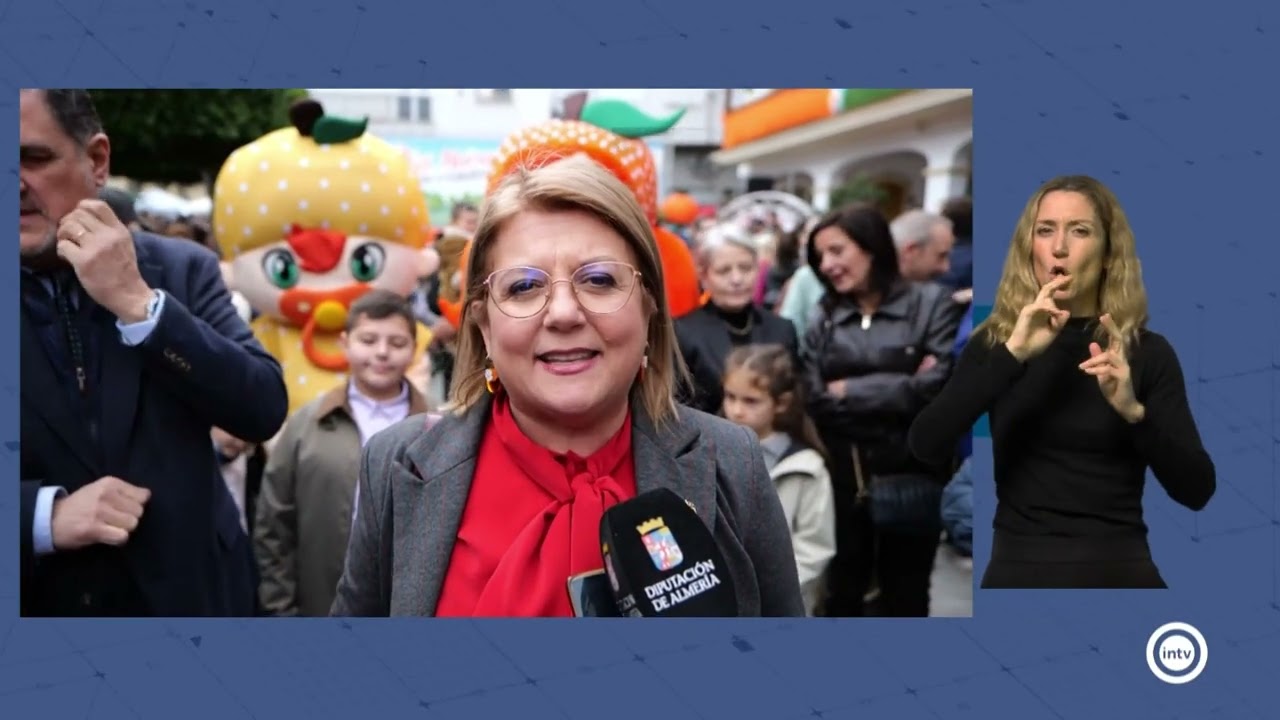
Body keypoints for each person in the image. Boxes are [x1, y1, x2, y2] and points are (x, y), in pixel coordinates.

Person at [330, 154, 805, 617]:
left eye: (598, 279)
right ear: (483, 325)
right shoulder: (397, 464)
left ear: (648, 308)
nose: (562, 313)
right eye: (523, 287)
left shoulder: (731, 463)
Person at [19, 89, 288, 616]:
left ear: (97, 160)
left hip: (194, 602)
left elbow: (261, 407)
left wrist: (138, 304)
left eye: (33, 158)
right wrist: (41, 516)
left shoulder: (180, 269)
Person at [907, 175, 1215, 589]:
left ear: (1108, 254)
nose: (1059, 248)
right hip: (1019, 570)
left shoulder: (1146, 352)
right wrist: (1012, 355)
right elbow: (926, 443)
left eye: (1080, 231)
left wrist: (1134, 413)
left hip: (1121, 571)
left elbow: (1197, 490)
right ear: (1028, 248)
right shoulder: (998, 343)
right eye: (1045, 230)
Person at [802, 203, 964, 617]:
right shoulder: (825, 314)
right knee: (842, 595)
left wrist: (848, 390)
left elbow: (938, 388)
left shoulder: (931, 303)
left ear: (872, 246)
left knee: (906, 597)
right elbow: (815, 398)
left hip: (913, 476)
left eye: (837, 250)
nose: (828, 264)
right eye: (821, 256)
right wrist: (902, 385)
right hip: (843, 480)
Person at [255, 290, 430, 616]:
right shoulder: (307, 425)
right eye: (368, 340)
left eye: (396, 343)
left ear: (414, 349)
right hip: (319, 605)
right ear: (345, 343)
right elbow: (274, 526)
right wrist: (281, 612)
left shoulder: (437, 429)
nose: (382, 352)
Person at [722, 344, 836, 616]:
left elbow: (814, 547)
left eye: (751, 401)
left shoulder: (807, 468)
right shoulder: (710, 453)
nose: (736, 410)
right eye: (730, 397)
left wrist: (770, 592)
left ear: (781, 403)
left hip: (781, 606)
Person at [675, 223, 798, 415]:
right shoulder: (683, 333)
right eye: (724, 271)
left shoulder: (782, 329)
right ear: (704, 276)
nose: (737, 279)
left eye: (745, 268)